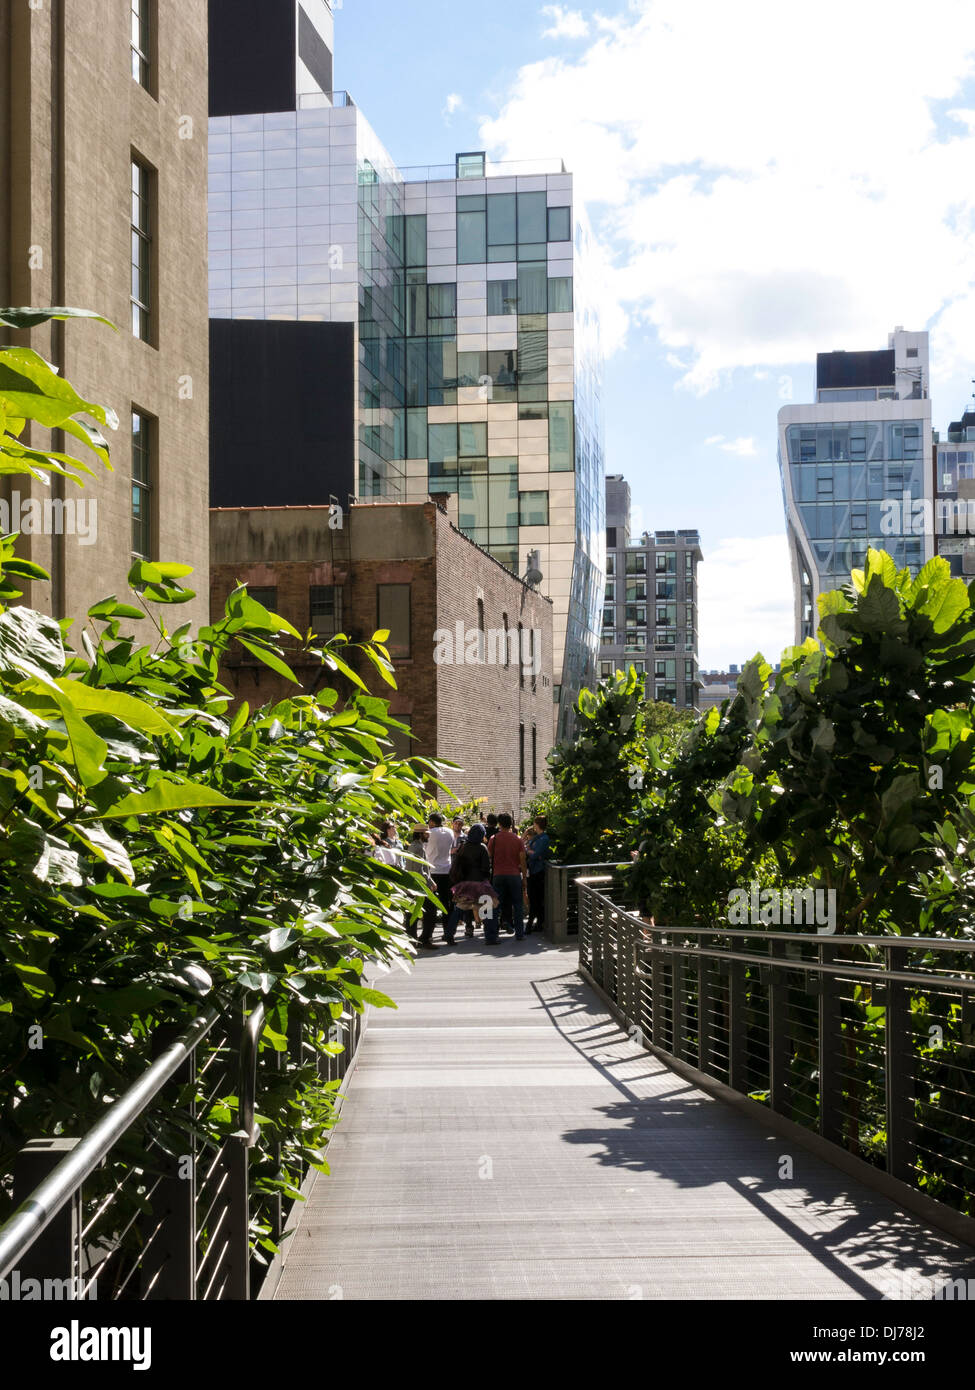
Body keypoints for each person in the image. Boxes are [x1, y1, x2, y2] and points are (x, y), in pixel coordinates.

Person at [445, 823, 493, 941]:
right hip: (480, 883)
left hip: (465, 883)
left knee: (459, 909)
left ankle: (449, 934)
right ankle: (490, 936)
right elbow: (486, 867)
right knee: (486, 910)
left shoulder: (463, 847)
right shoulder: (482, 847)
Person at [488, 812, 528, 942]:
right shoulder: (517, 839)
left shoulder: (494, 839)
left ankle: (493, 935)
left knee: (495, 905)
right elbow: (522, 860)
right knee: (517, 904)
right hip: (514, 875)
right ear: (511, 824)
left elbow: (489, 856)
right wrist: (524, 879)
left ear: (499, 824)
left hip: (498, 875)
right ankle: (520, 934)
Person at [405, 825, 439, 948]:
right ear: (420, 834)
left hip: (412, 885)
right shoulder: (419, 848)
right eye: (426, 834)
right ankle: (425, 939)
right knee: (431, 912)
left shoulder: (412, 846)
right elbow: (420, 870)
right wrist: (431, 882)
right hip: (419, 886)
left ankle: (412, 940)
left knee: (412, 913)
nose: (428, 835)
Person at [425, 812, 455, 942]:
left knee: (431, 904)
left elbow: (427, 850)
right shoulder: (450, 832)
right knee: (446, 903)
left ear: (432, 822)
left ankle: (429, 933)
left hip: (433, 870)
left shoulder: (431, 833)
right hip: (446, 870)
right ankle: (448, 932)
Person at [524, 815, 551, 934]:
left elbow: (535, 854)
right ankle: (538, 923)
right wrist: (530, 851)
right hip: (533, 870)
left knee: (536, 898)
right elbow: (532, 852)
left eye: (534, 823)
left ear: (537, 824)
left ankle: (531, 924)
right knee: (534, 898)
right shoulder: (537, 838)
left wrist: (529, 851)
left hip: (537, 872)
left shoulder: (543, 839)